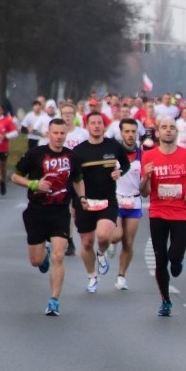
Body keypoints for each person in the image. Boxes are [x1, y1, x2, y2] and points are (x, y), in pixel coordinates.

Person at [10, 118, 85, 316]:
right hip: (36, 211)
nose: (59, 137)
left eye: (62, 133)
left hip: (60, 211)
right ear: (48, 133)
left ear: (66, 134)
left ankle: (54, 300)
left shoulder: (72, 157)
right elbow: (15, 176)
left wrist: (83, 198)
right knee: (35, 260)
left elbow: (78, 180)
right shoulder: (36, 154)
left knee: (59, 256)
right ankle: (42, 258)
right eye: (56, 133)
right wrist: (34, 184)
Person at [141, 115, 186, 317]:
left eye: (172, 127)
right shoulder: (148, 156)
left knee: (174, 257)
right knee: (161, 259)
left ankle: (177, 262)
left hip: (180, 212)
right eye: (164, 127)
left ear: (176, 133)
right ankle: (165, 300)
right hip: (158, 211)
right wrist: (147, 177)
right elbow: (144, 192)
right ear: (158, 132)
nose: (168, 130)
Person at [72, 111, 130, 293]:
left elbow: (126, 164)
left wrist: (120, 172)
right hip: (85, 202)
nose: (97, 126)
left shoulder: (113, 146)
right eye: (93, 123)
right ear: (87, 126)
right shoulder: (79, 151)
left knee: (104, 236)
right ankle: (92, 276)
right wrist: (78, 201)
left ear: (104, 126)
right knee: (87, 242)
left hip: (107, 200)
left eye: (99, 123)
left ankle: (102, 252)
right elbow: (74, 178)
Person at [107, 119, 146, 290]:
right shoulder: (112, 153)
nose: (130, 135)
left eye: (133, 132)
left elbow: (146, 178)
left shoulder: (142, 155)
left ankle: (121, 276)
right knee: (116, 236)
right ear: (121, 133)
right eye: (127, 131)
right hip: (116, 198)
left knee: (128, 242)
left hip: (134, 200)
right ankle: (111, 242)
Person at [60, 101, 89, 257]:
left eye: (70, 114)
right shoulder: (58, 133)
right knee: (66, 210)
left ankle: (80, 232)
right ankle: (69, 241)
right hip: (63, 176)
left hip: (79, 175)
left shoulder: (82, 134)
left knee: (77, 211)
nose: (67, 117)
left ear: (74, 116)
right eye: (64, 114)